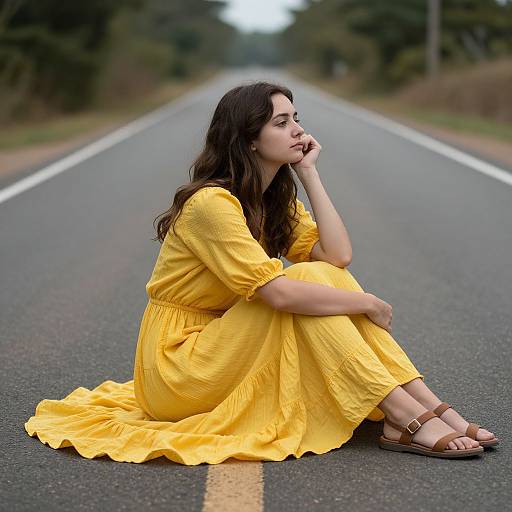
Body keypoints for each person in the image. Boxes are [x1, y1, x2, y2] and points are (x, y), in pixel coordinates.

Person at [25, 81, 498, 464]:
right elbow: (279, 297)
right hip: (178, 366)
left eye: (297, 119)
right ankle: (404, 412)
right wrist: (368, 303)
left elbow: (336, 257)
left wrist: (310, 173)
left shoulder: (274, 200)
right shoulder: (211, 204)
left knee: (320, 276)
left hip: (226, 346)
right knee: (305, 286)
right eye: (281, 122)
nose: (297, 130)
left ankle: (421, 406)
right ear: (249, 137)